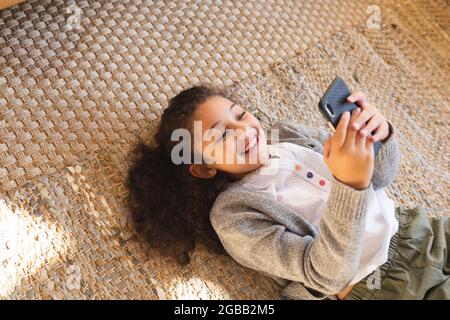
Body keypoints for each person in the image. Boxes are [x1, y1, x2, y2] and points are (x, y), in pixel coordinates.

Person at [125, 84, 449, 300]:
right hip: (384, 284)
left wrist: (379, 135)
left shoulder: (288, 134)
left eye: (239, 115)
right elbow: (325, 276)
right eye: (222, 135)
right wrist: (349, 185)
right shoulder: (234, 216)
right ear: (204, 167)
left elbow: (380, 176)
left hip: (416, 231)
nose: (243, 129)